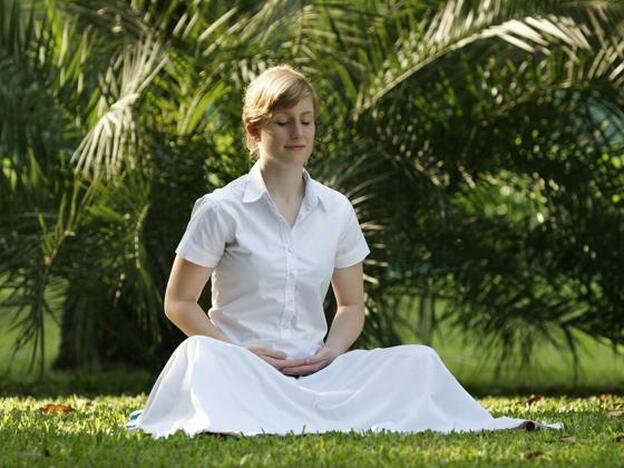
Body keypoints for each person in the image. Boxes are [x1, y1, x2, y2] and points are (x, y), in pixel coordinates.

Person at [126, 65, 562, 438]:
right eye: (283, 122)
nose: (298, 132)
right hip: (240, 370)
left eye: (307, 120)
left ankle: (291, 408)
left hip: (318, 373)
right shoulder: (221, 209)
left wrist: (331, 352)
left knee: (419, 360)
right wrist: (238, 354)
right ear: (254, 130)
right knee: (198, 357)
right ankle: (243, 408)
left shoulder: (336, 209)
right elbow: (179, 302)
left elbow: (351, 305)